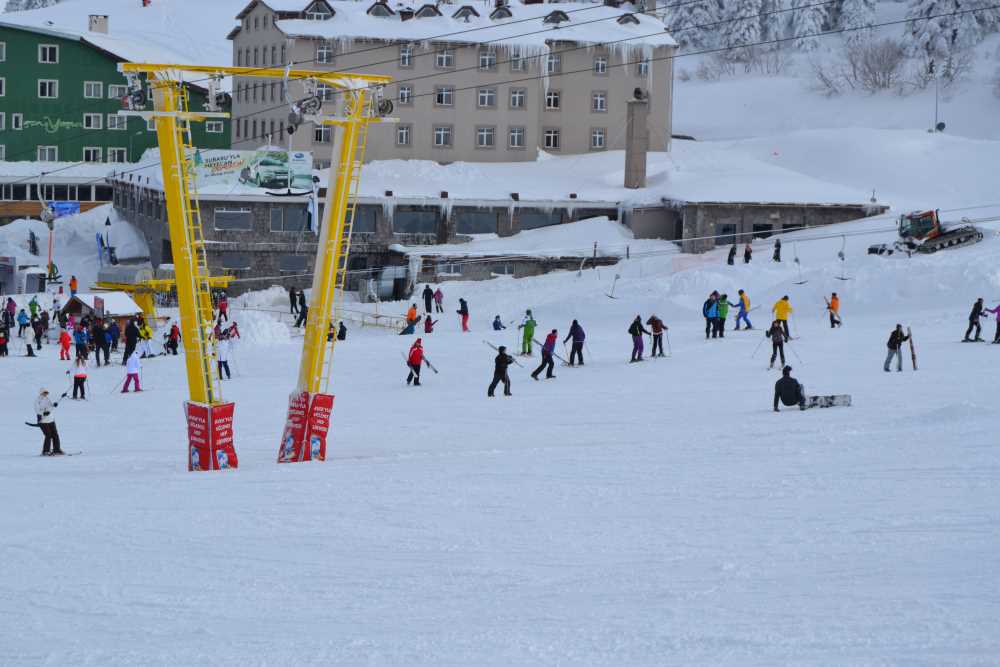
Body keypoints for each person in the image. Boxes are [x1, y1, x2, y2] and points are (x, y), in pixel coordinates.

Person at [34, 388, 64, 456]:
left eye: (46, 392)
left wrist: (54, 405)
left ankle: (57, 449)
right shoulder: (38, 400)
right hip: (43, 421)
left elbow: (50, 407)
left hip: (51, 419)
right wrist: (43, 413)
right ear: (41, 393)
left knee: (55, 435)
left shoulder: (47, 399)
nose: (46, 394)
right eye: (44, 392)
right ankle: (45, 451)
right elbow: (37, 410)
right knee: (48, 435)